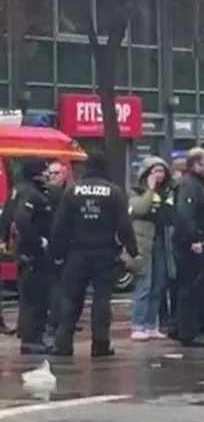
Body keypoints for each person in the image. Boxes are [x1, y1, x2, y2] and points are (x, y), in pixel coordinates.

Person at [49, 152, 138, 358]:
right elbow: (124, 226)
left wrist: (56, 254)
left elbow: (59, 226)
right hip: (105, 253)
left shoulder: (72, 192)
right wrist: (132, 249)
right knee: (101, 300)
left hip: (77, 253)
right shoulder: (114, 192)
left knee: (71, 299)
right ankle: (100, 345)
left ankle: (63, 343)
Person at [170, 148, 204, 348]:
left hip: (201, 242)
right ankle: (189, 332)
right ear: (197, 165)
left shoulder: (199, 184)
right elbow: (185, 214)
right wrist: (194, 239)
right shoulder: (190, 185)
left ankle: (180, 328)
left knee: (194, 288)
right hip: (193, 245)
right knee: (191, 288)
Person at [10, 158, 54, 354]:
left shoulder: (18, 190)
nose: (48, 174)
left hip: (24, 252)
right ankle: (32, 340)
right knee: (35, 299)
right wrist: (38, 241)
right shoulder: (31, 194)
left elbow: (7, 217)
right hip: (33, 254)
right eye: (45, 170)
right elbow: (21, 218)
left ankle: (30, 337)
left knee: (28, 297)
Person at [129, 156, 174, 341]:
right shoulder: (136, 192)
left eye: (162, 171)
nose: (159, 175)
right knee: (144, 285)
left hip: (161, 241)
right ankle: (138, 324)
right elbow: (140, 209)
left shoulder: (167, 192)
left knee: (158, 285)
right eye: (155, 171)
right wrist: (150, 189)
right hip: (144, 243)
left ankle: (150, 325)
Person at [42, 160, 69, 340]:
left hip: (63, 246)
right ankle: (54, 322)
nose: (52, 177)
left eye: (56, 173)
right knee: (54, 287)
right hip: (48, 246)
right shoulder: (47, 195)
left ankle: (58, 320)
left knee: (61, 287)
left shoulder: (68, 194)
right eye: (50, 174)